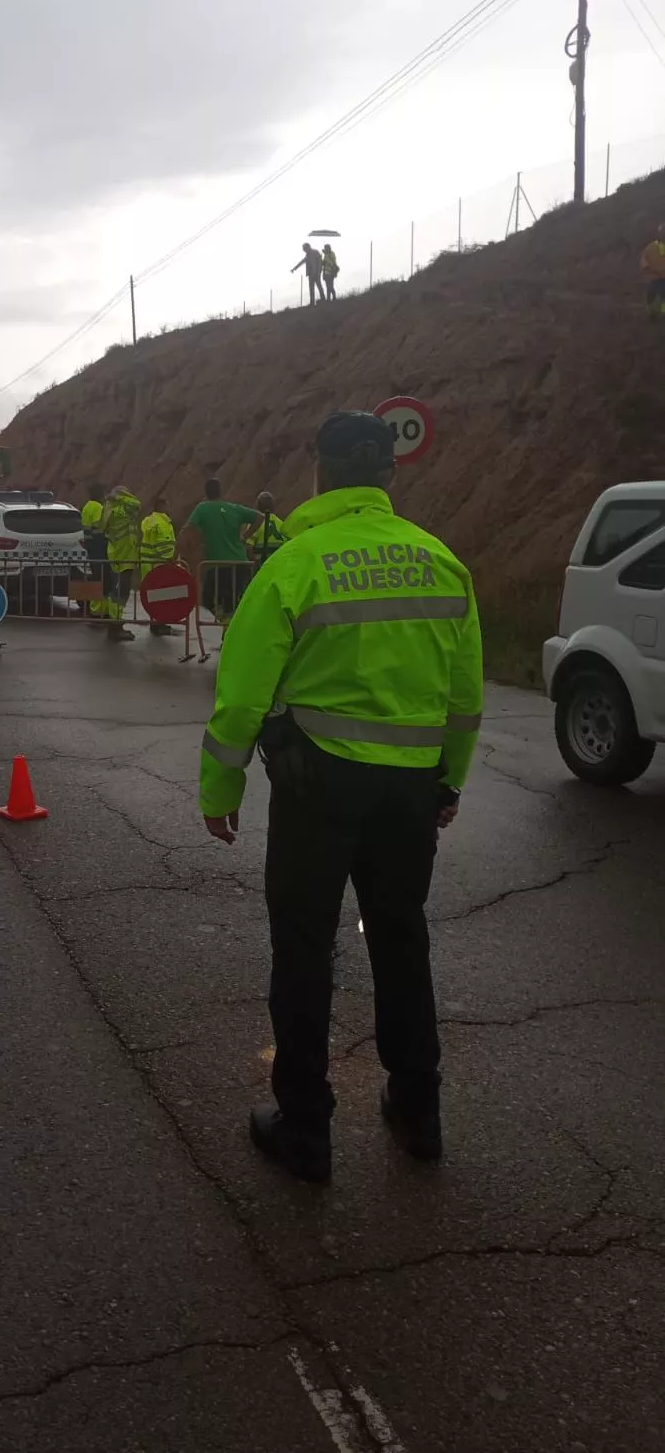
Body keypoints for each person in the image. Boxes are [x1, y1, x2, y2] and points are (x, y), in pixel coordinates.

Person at [199, 410, 483, 1184]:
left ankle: (305, 1128)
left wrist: (220, 786)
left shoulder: (295, 564)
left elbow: (240, 695)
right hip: (410, 793)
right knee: (400, 937)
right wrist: (447, 781)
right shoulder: (442, 563)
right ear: (390, 476)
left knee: (303, 947)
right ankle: (418, 1111)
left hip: (318, 787)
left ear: (318, 472)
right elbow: (465, 698)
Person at [178, 478, 264, 624]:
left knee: (211, 601)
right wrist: (245, 536)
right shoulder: (234, 508)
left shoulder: (203, 508)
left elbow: (188, 529)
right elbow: (260, 517)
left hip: (220, 565)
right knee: (230, 602)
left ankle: (227, 629)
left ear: (206, 493)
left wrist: (182, 549)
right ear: (220, 491)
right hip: (240, 564)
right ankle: (228, 626)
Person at [101, 485, 142, 641]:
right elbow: (137, 504)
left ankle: (115, 624)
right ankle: (115, 626)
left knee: (119, 591)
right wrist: (119, 496)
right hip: (122, 555)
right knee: (120, 591)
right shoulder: (118, 509)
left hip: (121, 554)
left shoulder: (111, 508)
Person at [139, 495, 181, 637]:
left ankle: (156, 622)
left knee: (154, 595)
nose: (170, 508)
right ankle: (159, 624)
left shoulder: (148, 520)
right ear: (162, 507)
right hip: (159, 564)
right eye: (168, 505)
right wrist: (172, 560)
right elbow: (165, 546)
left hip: (147, 563)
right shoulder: (162, 523)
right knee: (161, 596)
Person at [80, 481, 113, 621]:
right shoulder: (98, 507)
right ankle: (98, 610)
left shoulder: (87, 506)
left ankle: (91, 607)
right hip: (99, 546)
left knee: (96, 577)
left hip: (90, 546)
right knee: (104, 579)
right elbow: (99, 527)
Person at [246, 489, 286, 566]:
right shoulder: (281, 523)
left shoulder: (255, 523)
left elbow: (249, 548)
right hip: (278, 564)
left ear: (258, 505)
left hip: (261, 566)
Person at [640, 225, 665, 319]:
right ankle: (651, 312)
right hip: (653, 277)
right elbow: (644, 258)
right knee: (650, 295)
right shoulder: (651, 247)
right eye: (662, 233)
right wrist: (647, 268)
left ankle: (663, 313)